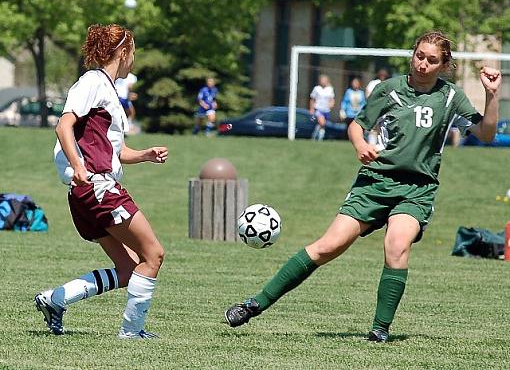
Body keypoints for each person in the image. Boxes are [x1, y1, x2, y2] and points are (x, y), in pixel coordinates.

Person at [224, 31, 501, 342]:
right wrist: (359, 145)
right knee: (328, 246)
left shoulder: (450, 97)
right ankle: (253, 304)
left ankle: (379, 330)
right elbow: (357, 125)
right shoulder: (388, 89)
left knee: (396, 246)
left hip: (417, 189)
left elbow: (486, 133)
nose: (423, 64)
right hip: (375, 182)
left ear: (444, 64)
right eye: (419, 56)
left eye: (432, 60)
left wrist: (491, 95)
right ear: (413, 55)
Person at [34, 24, 168, 339]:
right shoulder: (92, 83)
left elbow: (114, 152)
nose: (134, 58)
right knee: (154, 255)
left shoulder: (107, 89)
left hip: (87, 191)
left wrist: (145, 154)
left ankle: (56, 299)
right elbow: (64, 125)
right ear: (123, 52)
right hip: (98, 188)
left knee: (128, 267)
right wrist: (79, 165)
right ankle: (132, 332)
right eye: (133, 52)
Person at [309, 74, 335, 141]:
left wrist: (331, 104)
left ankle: (316, 136)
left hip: (326, 110)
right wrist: (311, 108)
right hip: (318, 108)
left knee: (322, 125)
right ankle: (318, 137)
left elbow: (332, 98)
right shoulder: (317, 88)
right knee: (322, 122)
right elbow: (312, 99)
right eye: (322, 80)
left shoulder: (330, 89)